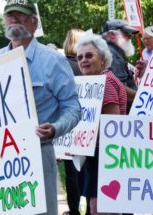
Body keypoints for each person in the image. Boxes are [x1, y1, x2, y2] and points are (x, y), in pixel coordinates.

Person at [0, 1, 81, 215]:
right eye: (9, 15)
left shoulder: (54, 62)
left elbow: (73, 107)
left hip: (37, 155)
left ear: (34, 22)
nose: (14, 20)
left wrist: (56, 128)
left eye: (21, 15)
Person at [75, 33, 127, 215]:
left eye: (89, 55)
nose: (83, 61)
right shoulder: (99, 81)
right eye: (80, 57)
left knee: (99, 209)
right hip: (99, 157)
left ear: (103, 59)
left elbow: (113, 128)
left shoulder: (103, 83)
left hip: (104, 158)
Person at [62, 28, 89, 215]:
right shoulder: (86, 65)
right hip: (87, 124)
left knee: (71, 171)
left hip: (67, 123)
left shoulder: (61, 65)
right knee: (86, 170)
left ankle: (74, 210)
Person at [102, 19, 138, 113]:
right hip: (120, 115)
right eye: (127, 34)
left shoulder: (110, 52)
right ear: (112, 35)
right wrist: (141, 96)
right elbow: (118, 87)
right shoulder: (113, 55)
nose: (130, 37)